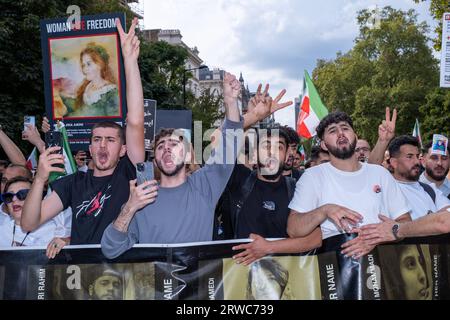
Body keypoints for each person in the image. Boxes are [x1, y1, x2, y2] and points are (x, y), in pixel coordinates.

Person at [101, 77, 291, 259]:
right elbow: (110, 250)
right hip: (154, 291)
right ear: (155, 160)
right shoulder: (142, 198)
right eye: (160, 147)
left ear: (187, 155)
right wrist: (129, 208)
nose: (166, 148)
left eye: (174, 144)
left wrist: (231, 102)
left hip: (197, 289)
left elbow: (228, 142)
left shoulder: (204, 185)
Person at [21, 18, 145, 248]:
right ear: (90, 148)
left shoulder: (128, 173)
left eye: (110, 140)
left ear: (123, 150)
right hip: (82, 275)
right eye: (97, 139)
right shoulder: (72, 184)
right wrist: (39, 179)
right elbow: (28, 223)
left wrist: (129, 60)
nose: (102, 146)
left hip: (124, 272)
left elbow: (136, 121)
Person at [287, 111, 411, 260]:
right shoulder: (312, 176)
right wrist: (325, 210)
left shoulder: (380, 173)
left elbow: (405, 222)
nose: (340, 133)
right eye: (333, 131)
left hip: (384, 263)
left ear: (355, 136)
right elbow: (293, 229)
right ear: (324, 145)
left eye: (345, 128)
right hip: (337, 269)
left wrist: (379, 236)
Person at [226, 124, 321, 266]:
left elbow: (316, 239)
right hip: (241, 277)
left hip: (287, 277)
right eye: (266, 146)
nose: (272, 153)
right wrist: (254, 117)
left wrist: (267, 248)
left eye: (279, 147)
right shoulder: (239, 181)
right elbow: (219, 141)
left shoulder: (298, 188)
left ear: (288, 153)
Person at [0, 177, 68, 255]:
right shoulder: (2, 231)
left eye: (22, 194)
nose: (14, 199)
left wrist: (66, 241)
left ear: (38, 198)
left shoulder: (58, 230)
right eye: (9, 196)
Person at [387, 135, 450, 220]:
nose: (417, 161)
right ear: (394, 162)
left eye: (417, 156)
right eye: (409, 156)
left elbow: (447, 217)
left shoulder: (431, 190)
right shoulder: (385, 189)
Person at [56, 42, 119, 118]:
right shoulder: (86, 86)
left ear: (100, 64)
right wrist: (62, 96)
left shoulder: (111, 92)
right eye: (83, 65)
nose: (85, 69)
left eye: (89, 64)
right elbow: (79, 109)